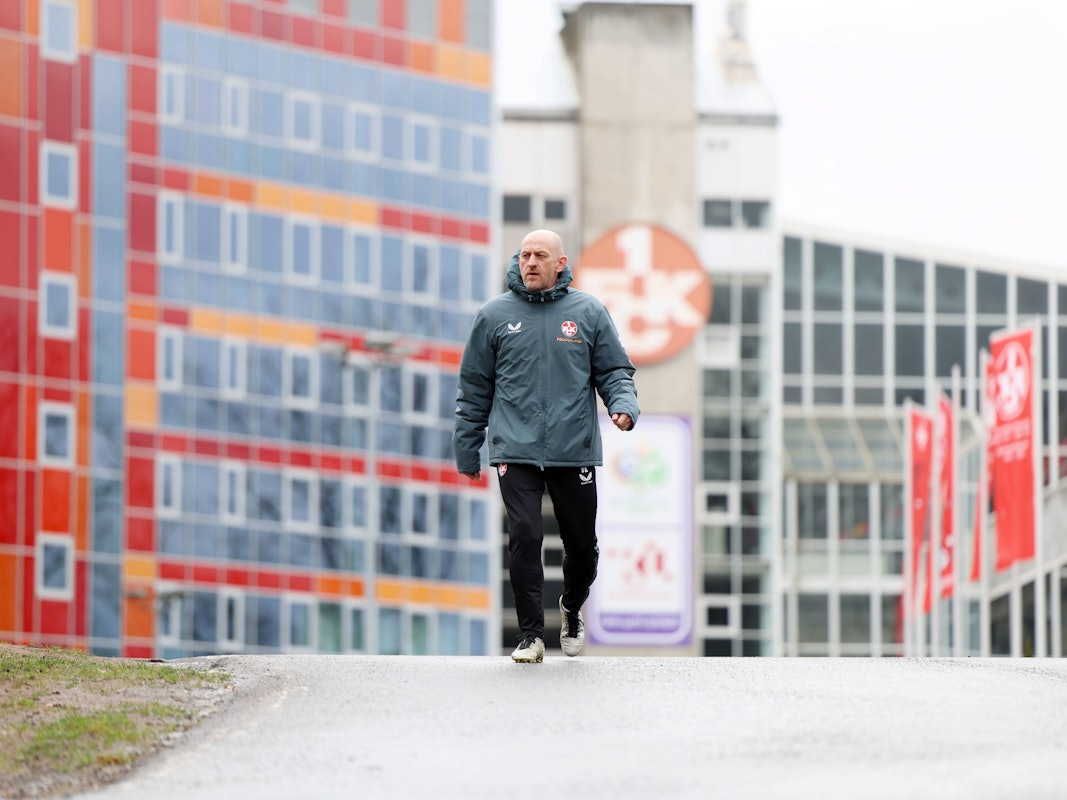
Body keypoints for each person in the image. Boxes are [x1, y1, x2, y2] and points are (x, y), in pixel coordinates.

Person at [453, 229, 639, 663]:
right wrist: (468, 450)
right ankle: (531, 636)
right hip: (513, 450)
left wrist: (623, 406)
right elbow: (474, 389)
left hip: (572, 448)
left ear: (560, 263)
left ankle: (572, 606)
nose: (529, 262)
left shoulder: (588, 312)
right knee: (523, 536)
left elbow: (614, 370)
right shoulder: (493, 315)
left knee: (582, 547)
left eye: (539, 255)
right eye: (524, 255)